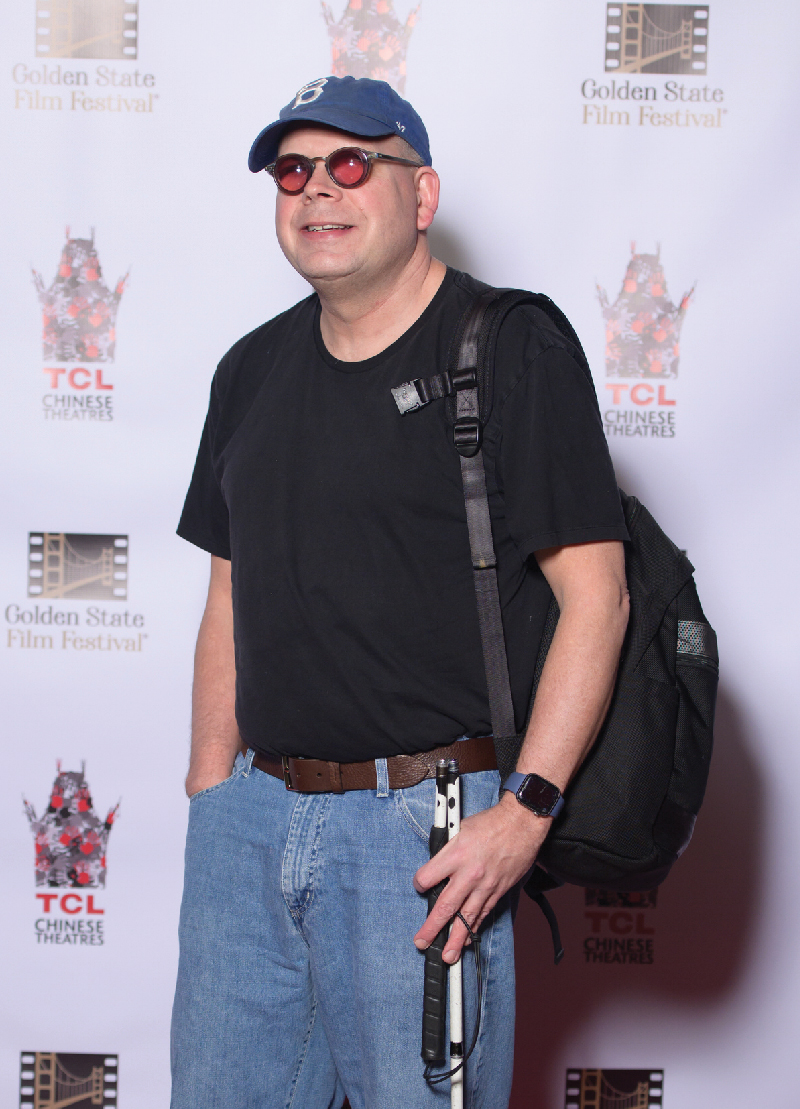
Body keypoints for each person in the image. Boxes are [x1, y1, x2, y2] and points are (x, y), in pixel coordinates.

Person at [171, 75, 630, 1109]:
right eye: (293, 170)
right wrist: (213, 794)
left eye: (349, 164)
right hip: (250, 823)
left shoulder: (507, 344)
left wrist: (524, 811)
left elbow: (596, 596)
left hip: (423, 834)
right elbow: (227, 599)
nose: (317, 191)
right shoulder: (249, 369)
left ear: (420, 197)